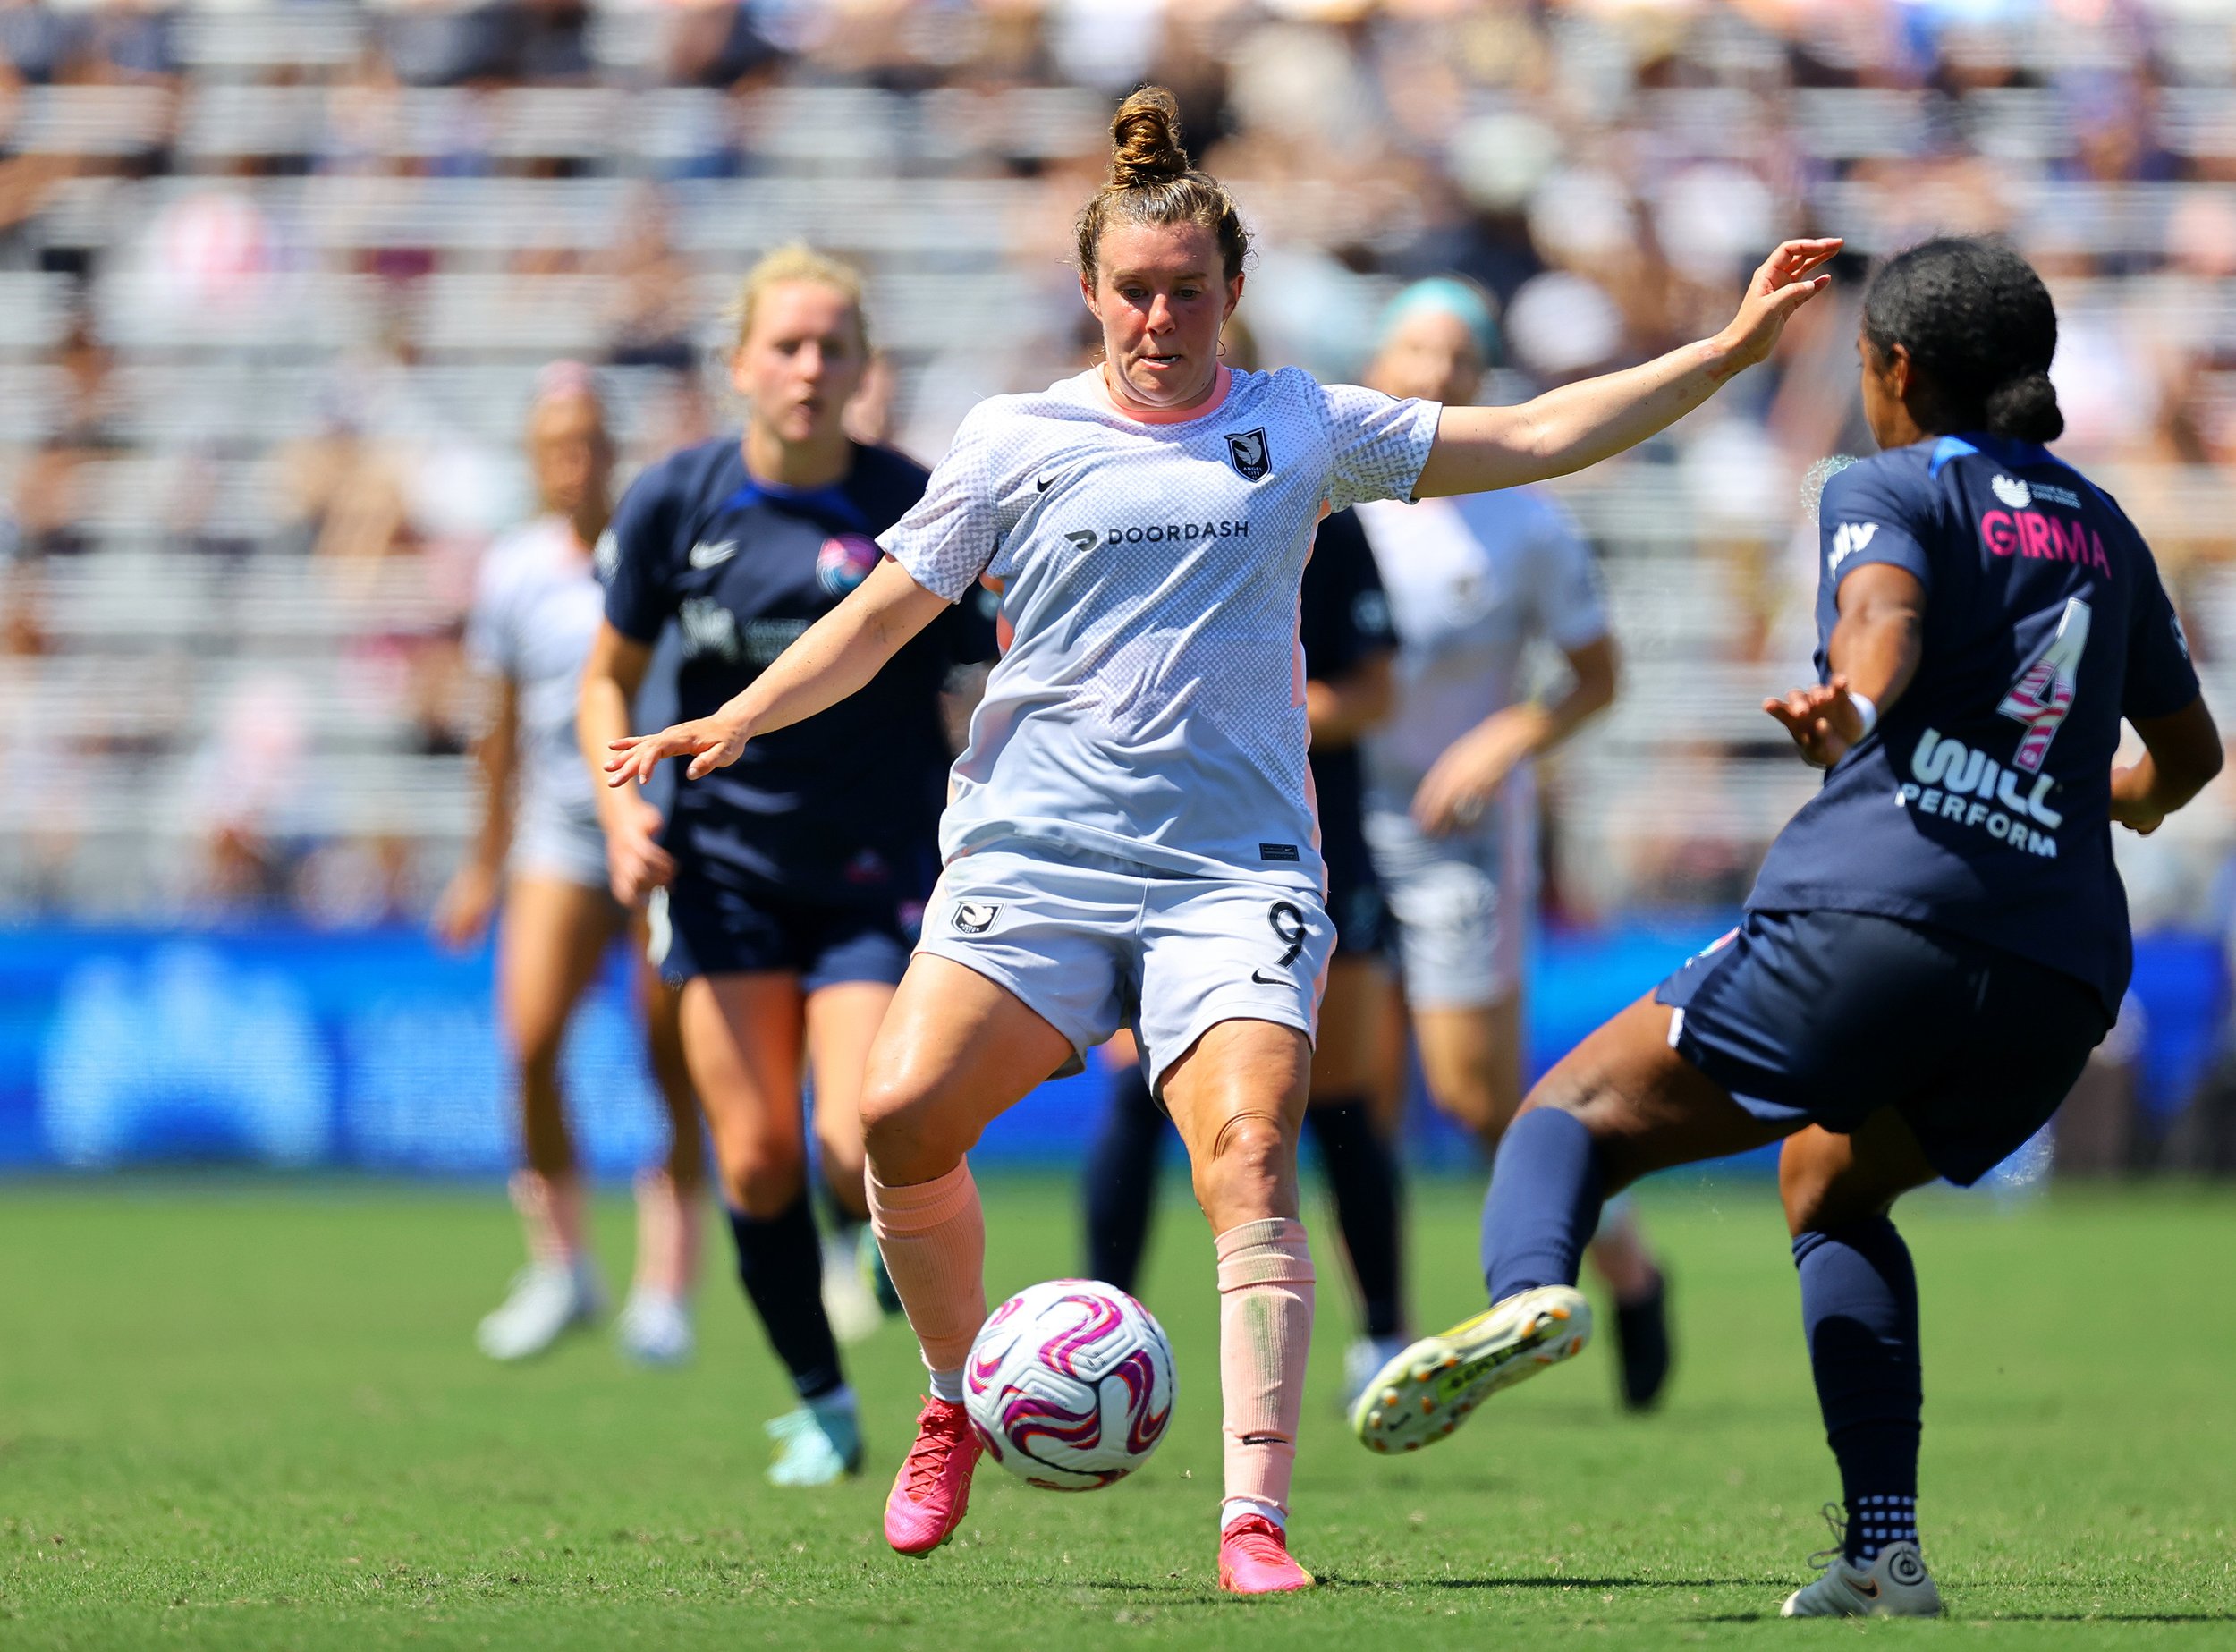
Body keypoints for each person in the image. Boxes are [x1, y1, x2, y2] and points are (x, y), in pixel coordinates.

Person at [606, 87, 1834, 1592]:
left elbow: (1530, 434)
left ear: (1233, 290)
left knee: (1250, 1157)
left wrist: (1726, 351)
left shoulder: (1299, 423)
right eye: (1135, 289)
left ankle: (1254, 1517)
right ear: (1090, 291)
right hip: (1033, 860)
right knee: (896, 1116)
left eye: (1188, 290)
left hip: (1226, 876)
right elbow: (875, 621)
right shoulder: (1012, 439)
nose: (1160, 317)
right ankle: (949, 1397)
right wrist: (737, 714)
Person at [1347, 238, 2219, 1619]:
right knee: (1832, 1183)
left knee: (1566, 1114)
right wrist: (2112, 793)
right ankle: (1883, 1551)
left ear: (1896, 369)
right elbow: (2190, 754)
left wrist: (1855, 706)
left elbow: (1882, 617)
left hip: (1878, 912)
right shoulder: (2104, 524)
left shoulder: (1886, 481)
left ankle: (1532, 1288)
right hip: (2059, 973)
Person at [577, 245, 993, 1486]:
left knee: (848, 1131)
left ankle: (884, 1239)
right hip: (723, 869)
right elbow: (606, 676)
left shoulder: (915, 501)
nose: (810, 368)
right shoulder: (677, 498)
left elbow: (981, 673)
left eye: (832, 348)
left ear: (865, 367)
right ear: (740, 364)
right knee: (752, 1155)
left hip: (874, 866)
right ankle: (822, 1400)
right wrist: (619, 813)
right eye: (787, 346)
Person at [1353, 278, 1673, 1409]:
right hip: (1336, 819)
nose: (1433, 373)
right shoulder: (1334, 500)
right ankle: (1375, 1336)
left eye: (1456, 355)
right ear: (1376, 366)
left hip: (1462, 833)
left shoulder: (1524, 520)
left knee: (1475, 1097)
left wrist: (1504, 739)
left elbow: (1596, 678)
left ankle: (1630, 1269)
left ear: (1484, 378)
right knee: (1350, 1099)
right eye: (1413, 350)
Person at [1080, 502, 1411, 1402]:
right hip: (1161, 842)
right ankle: (1090, 1334)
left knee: (1337, 1101)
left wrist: (1244, 715)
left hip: (1311, 840)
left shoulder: (1320, 514)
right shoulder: (1135, 504)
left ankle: (1383, 1337)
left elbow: (1374, 691)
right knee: (1138, 1089)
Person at [432, 365, 704, 1368]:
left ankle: (667, 1286)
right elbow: (499, 728)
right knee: (532, 1041)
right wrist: (481, 863)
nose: (573, 462)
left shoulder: (658, 550)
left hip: (664, 830)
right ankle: (563, 1266)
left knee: (670, 1054)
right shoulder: (513, 571)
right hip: (558, 834)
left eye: (587, 443)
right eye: (556, 446)